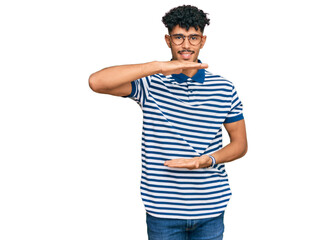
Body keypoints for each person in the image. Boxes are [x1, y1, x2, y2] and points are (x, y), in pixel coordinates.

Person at [89, 5, 247, 240]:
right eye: (179, 37)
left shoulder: (224, 88)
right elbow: (97, 82)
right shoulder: (149, 83)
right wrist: (159, 67)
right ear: (168, 40)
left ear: (202, 41)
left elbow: (240, 145)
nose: (186, 45)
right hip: (163, 211)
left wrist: (207, 161)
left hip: (211, 209)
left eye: (193, 37)